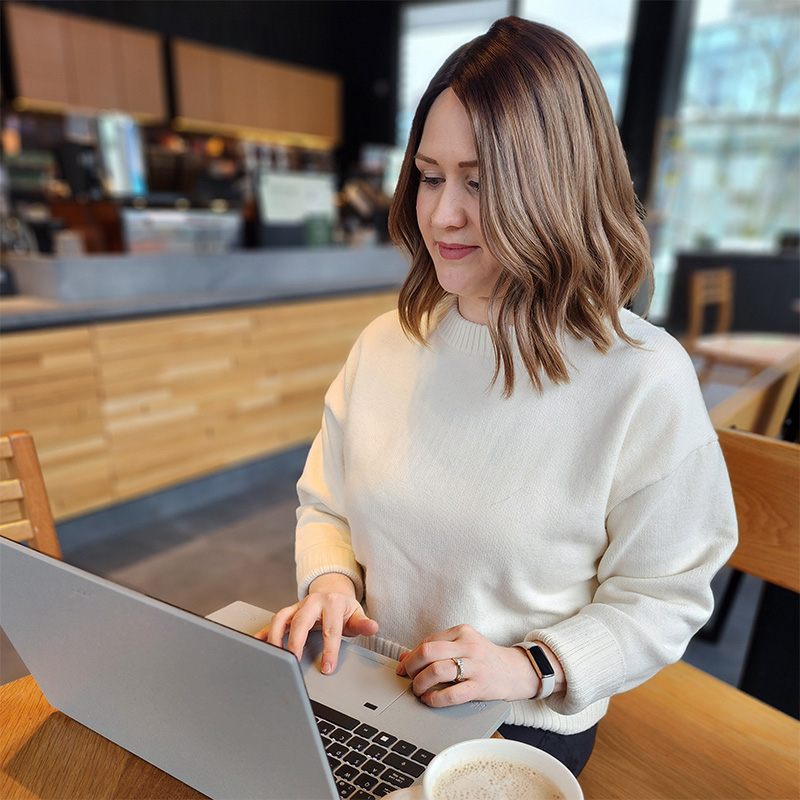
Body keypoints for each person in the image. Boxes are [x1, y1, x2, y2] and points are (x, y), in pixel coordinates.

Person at [258, 16, 737, 776]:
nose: (443, 213)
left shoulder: (642, 376)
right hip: (359, 684)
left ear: (557, 186)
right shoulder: (388, 342)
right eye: (431, 174)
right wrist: (327, 581)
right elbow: (326, 505)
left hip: (515, 720)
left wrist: (533, 665)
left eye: (479, 182)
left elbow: (667, 594)